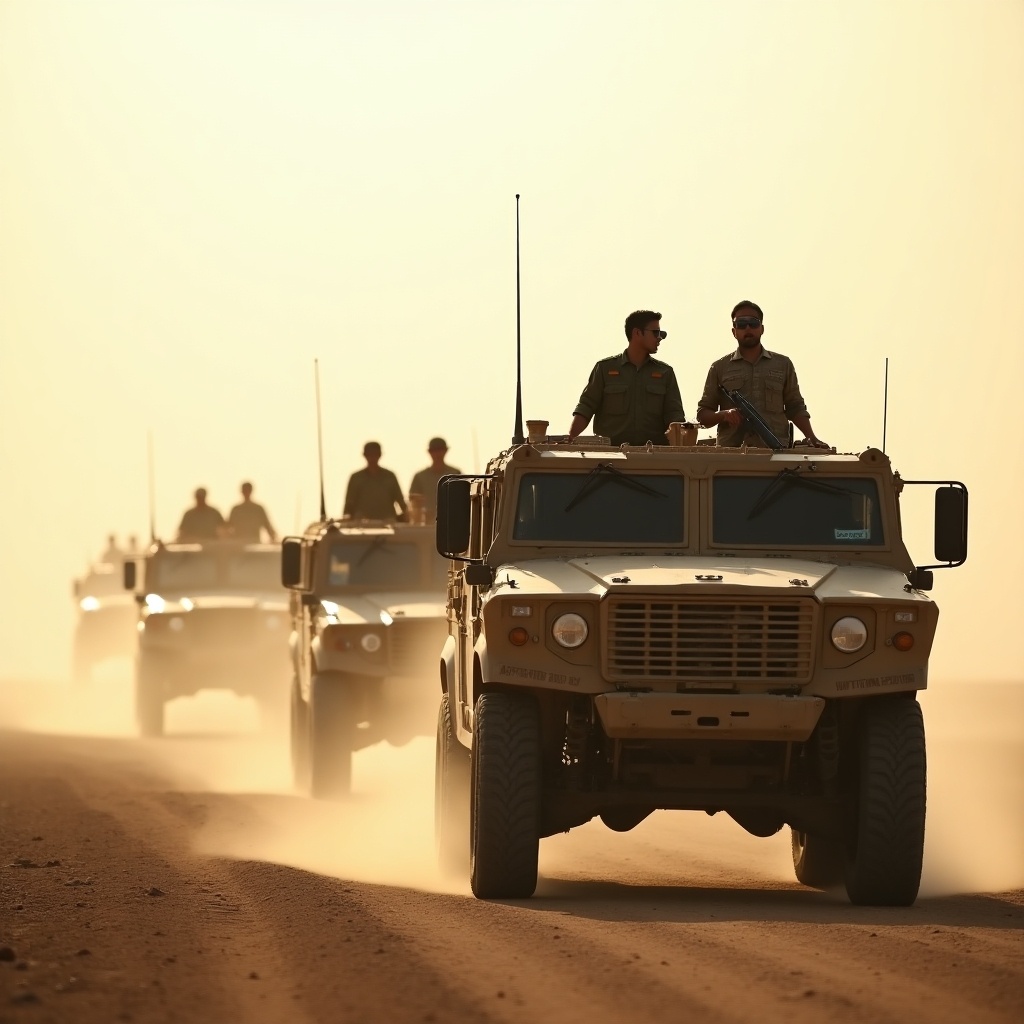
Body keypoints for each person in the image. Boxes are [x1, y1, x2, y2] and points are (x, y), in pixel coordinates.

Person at [696, 301, 829, 448]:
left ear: (762, 329)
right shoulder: (719, 368)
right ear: (734, 331)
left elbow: (795, 407)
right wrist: (724, 414)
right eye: (741, 324)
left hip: (775, 453)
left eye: (753, 323)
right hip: (732, 455)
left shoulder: (782, 365)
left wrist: (812, 438)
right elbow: (703, 415)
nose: (748, 328)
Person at [567, 310, 685, 446]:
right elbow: (586, 408)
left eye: (661, 333)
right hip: (610, 458)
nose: (660, 338)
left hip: (652, 459)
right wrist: (570, 439)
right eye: (655, 333)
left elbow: (675, 416)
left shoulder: (665, 373)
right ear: (637, 333)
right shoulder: (604, 369)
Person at [343, 442, 408, 521]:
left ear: (380, 455)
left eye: (375, 454)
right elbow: (349, 504)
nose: (372, 457)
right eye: (369, 454)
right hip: (361, 525)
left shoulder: (390, 477)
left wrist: (408, 517)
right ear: (364, 455)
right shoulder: (356, 478)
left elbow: (400, 501)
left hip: (387, 523)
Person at [409, 438, 461, 521]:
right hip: (426, 524)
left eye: (440, 450)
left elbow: (461, 499)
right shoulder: (420, 477)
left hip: (451, 520)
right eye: (434, 450)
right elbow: (413, 502)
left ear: (445, 451)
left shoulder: (455, 474)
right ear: (429, 452)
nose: (437, 454)